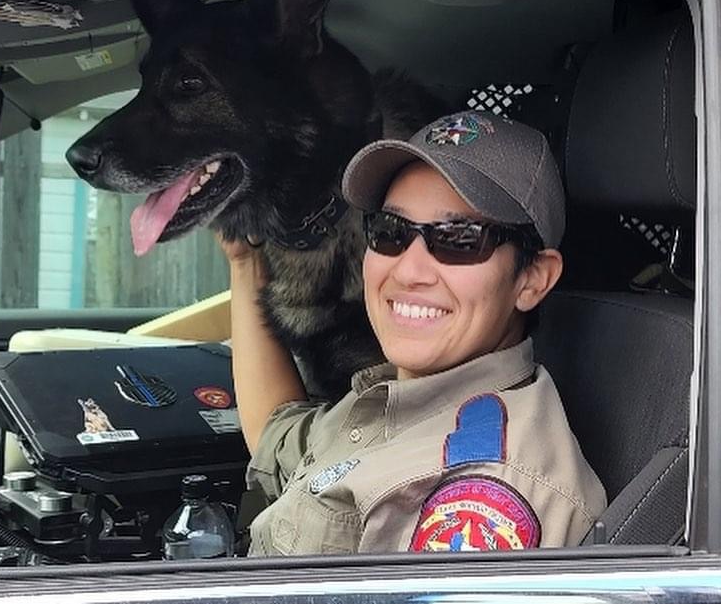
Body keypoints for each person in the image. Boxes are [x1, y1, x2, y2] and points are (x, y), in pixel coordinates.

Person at [220, 110, 605, 556]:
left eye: (461, 238)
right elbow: (277, 438)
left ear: (534, 279)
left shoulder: (480, 493)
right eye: (390, 232)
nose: (409, 269)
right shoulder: (407, 393)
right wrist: (244, 263)